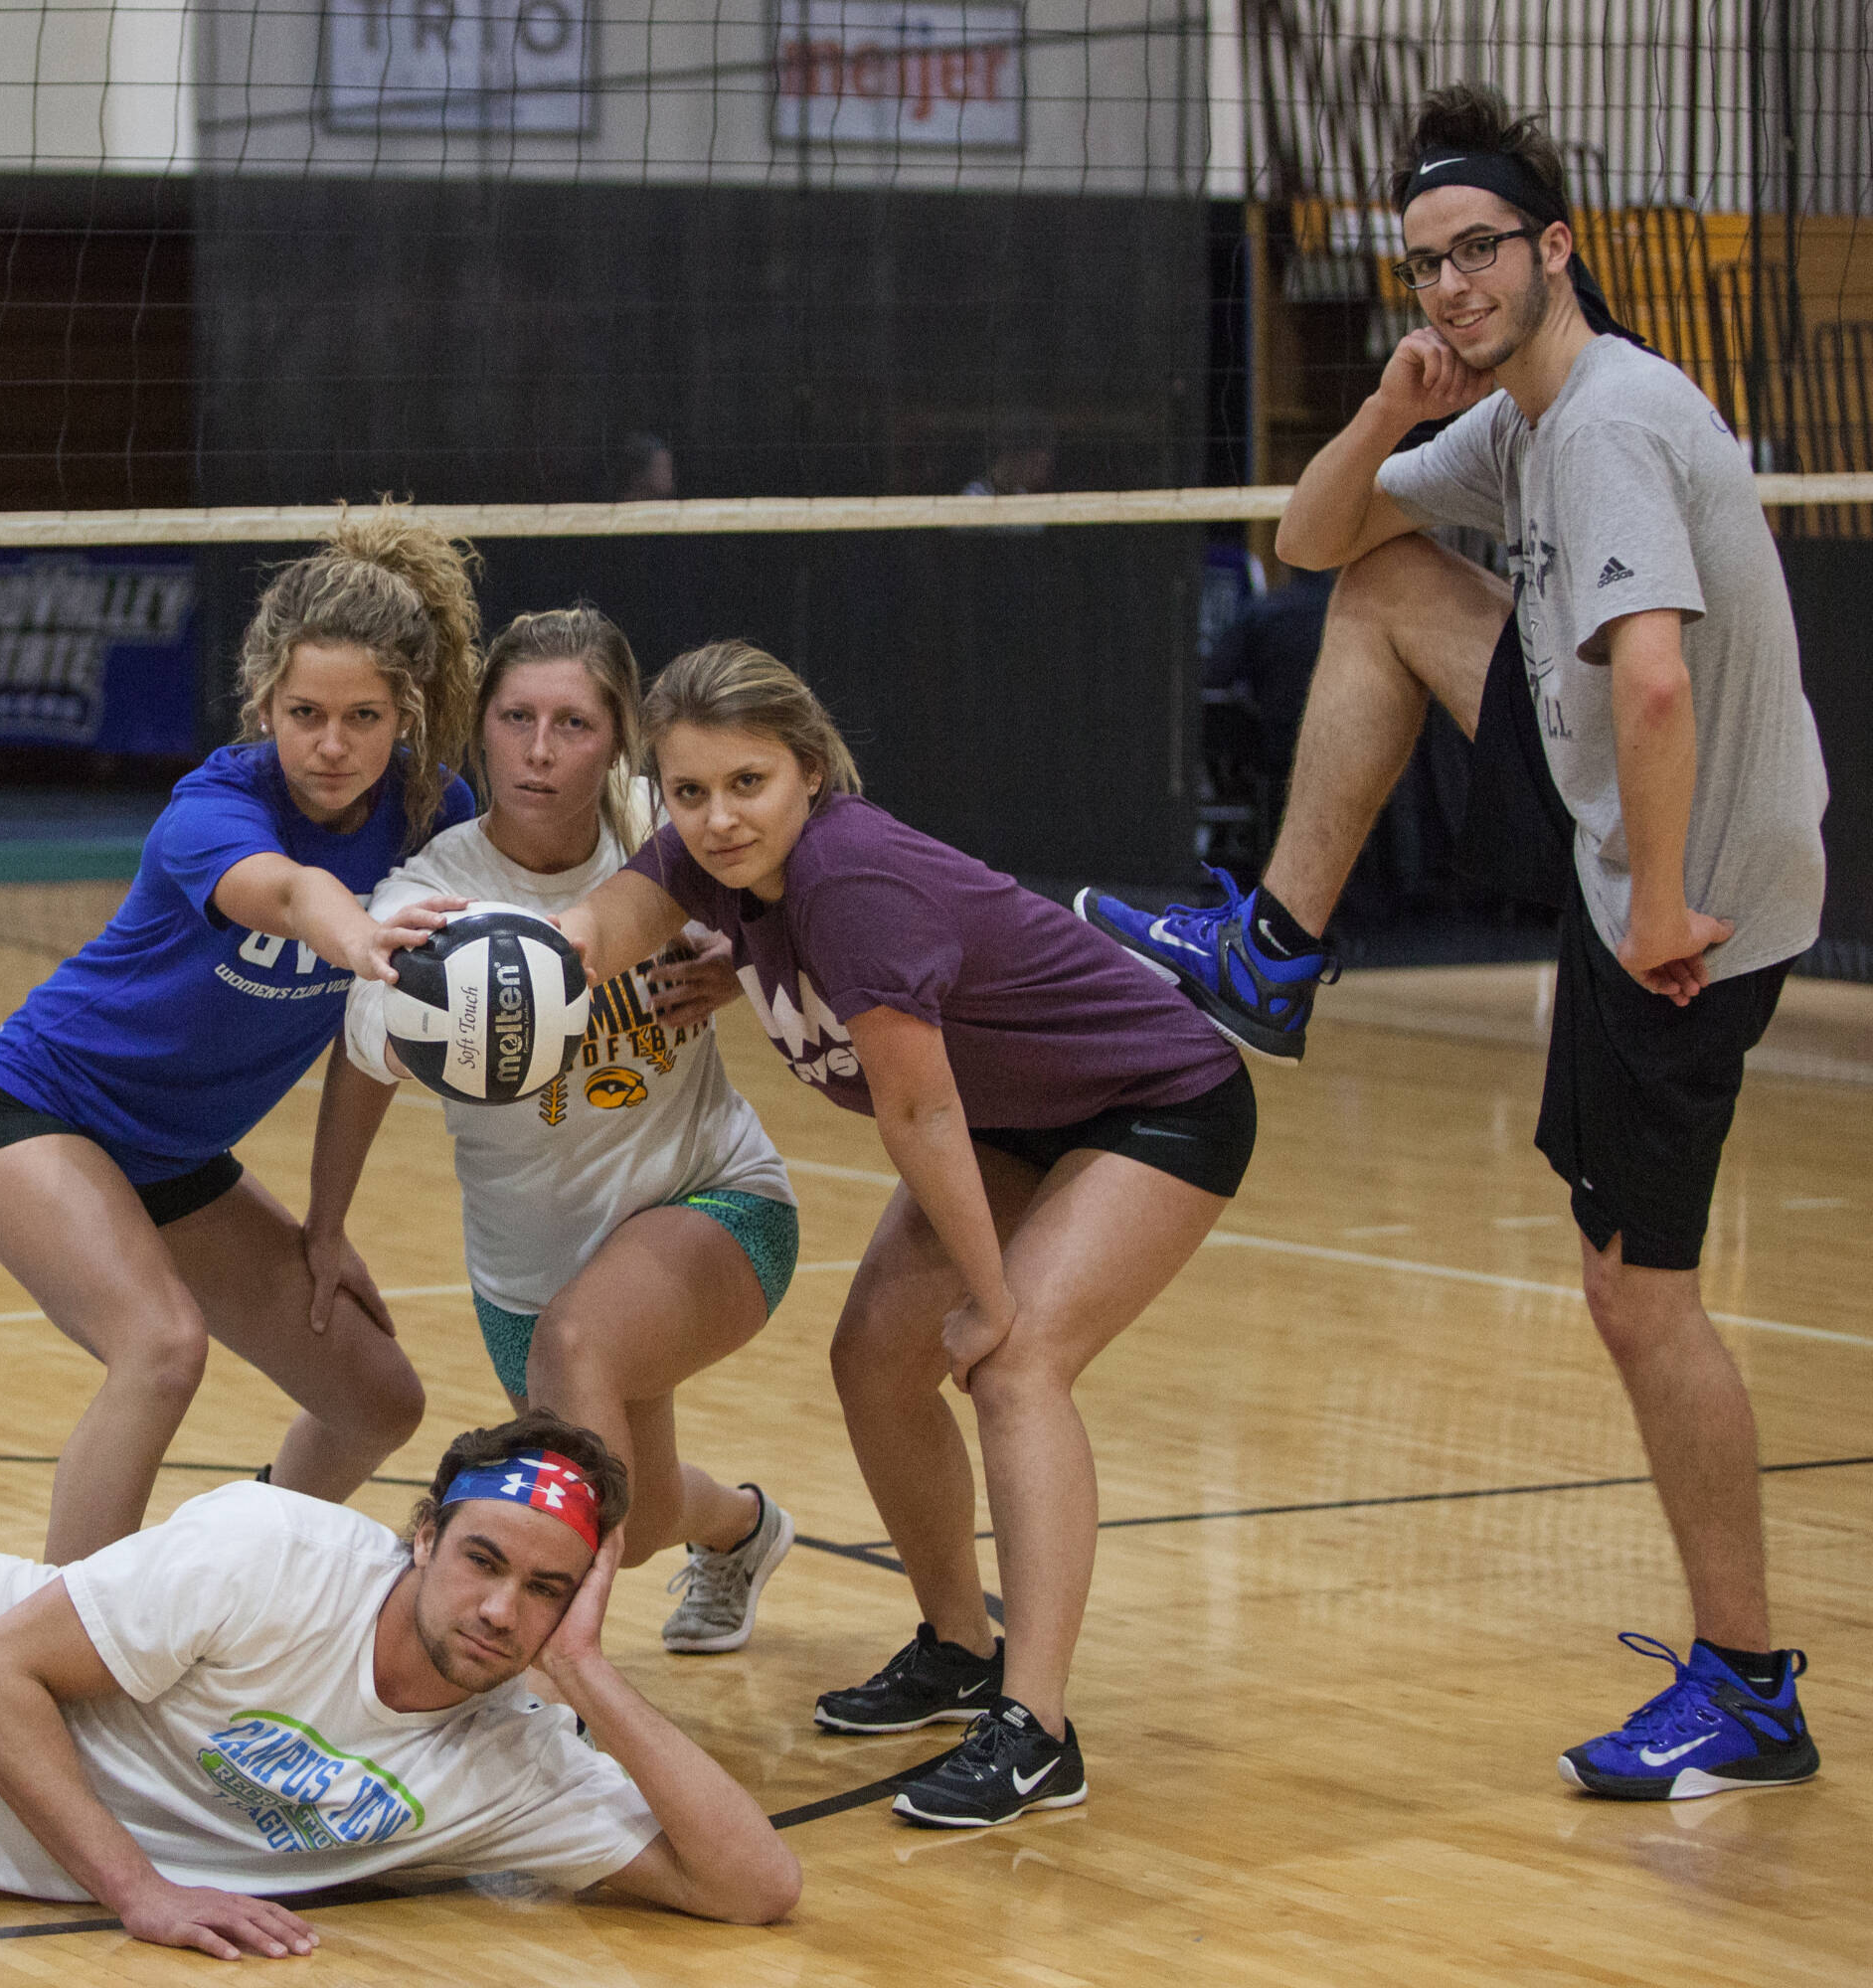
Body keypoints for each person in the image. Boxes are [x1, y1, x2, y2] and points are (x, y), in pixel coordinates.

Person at [1080, 84, 1828, 1799]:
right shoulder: (1513, 410)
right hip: (1613, 812)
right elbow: (1309, 538)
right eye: (1424, 265)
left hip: (1684, 899)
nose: (1449, 288)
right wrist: (1386, 403)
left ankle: (1749, 1681)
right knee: (1381, 589)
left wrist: (1646, 900)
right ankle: (1275, 945)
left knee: (1642, 1299)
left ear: (1556, 250)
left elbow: (1651, 674)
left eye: (1478, 252)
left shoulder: (1613, 419)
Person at [553, 640, 1257, 1829]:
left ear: (810, 772)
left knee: (1014, 1363)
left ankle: (1035, 1730)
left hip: (1153, 1098)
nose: (716, 818)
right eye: (688, 791)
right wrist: (461, 954)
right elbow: (591, 930)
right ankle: (956, 1645)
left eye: (747, 784)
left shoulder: (851, 886)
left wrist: (987, 1296)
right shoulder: (709, 861)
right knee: (874, 1361)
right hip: (1014, 1110)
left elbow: (920, 1109)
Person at [0, 509, 484, 1566]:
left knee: (375, 1398)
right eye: (305, 712)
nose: (331, 744)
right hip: (34, 1111)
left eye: (363, 716)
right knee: (159, 1347)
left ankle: (221, 1573)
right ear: (263, 704)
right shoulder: (213, 806)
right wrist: (359, 932)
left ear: (404, 712)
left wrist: (327, 1222)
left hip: (174, 1157)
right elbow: (289, 889)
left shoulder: (431, 810)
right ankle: (64, 1652)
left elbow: (371, 1045)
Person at [0, 1409, 802, 1953]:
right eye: (483, 1561)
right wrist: (143, 1892)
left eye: (545, 1591)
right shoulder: (276, 1551)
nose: (499, 1610)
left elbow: (755, 1888)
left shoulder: (515, 1766)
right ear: (425, 1537)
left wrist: (586, 1671)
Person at [335, 608, 799, 1654]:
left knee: (578, 1351)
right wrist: (422, 1028)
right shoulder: (432, 891)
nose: (540, 751)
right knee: (623, 1522)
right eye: (516, 718)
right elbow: (365, 1036)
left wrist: (743, 959)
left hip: (711, 1203)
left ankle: (560, 1702)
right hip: (527, 1269)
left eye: (574, 723)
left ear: (623, 734)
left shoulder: (673, 826)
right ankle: (740, 1527)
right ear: (480, 728)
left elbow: (822, 870)